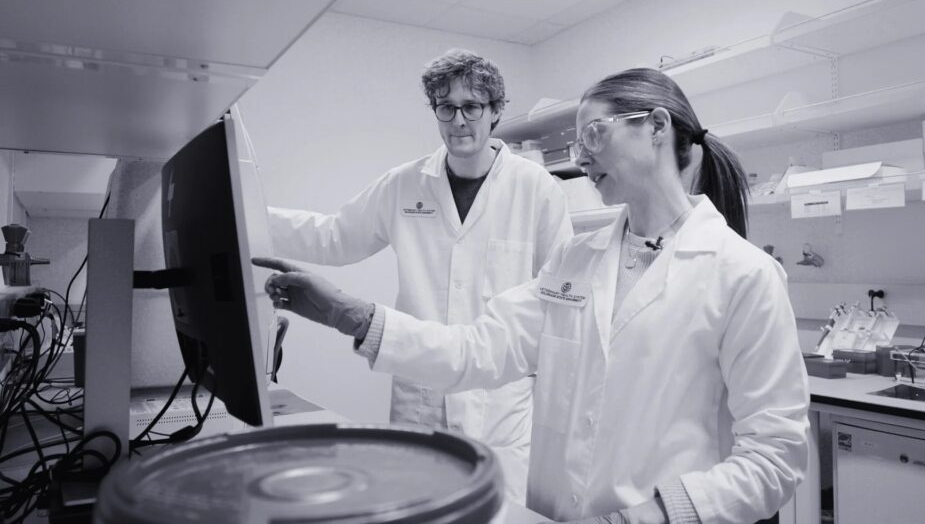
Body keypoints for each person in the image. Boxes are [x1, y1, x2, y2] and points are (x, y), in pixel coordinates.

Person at [256, 67, 809, 524]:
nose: (580, 156)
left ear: (657, 126)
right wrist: (346, 314)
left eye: (594, 134)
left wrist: (650, 516)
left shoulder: (744, 274)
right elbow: (476, 350)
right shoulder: (576, 263)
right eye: (576, 140)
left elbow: (775, 459)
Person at [263, 48, 573, 503]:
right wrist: (247, 213)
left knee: (495, 513)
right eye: (445, 107)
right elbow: (333, 236)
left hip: (498, 404)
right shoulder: (403, 184)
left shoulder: (536, 188)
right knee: (419, 506)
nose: (458, 120)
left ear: (495, 111)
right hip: (420, 395)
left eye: (471, 106)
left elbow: (559, 299)